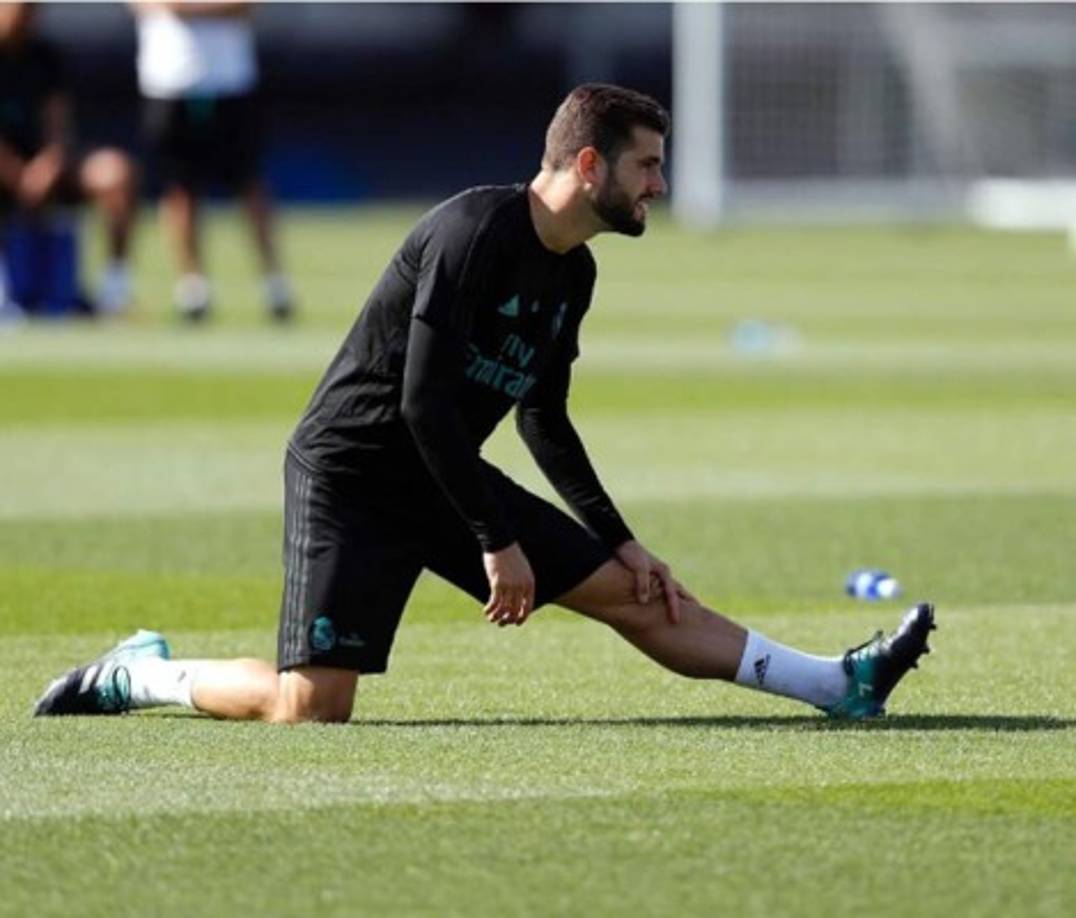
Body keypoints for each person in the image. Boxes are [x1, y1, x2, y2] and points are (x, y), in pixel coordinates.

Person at [34, 84, 935, 724]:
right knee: (308, 710)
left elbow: (544, 415)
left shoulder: (573, 272)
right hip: (353, 474)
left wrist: (622, 538)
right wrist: (496, 541)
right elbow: (422, 402)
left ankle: (837, 685)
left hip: (445, 477)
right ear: (589, 163)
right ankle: (138, 675)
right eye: (647, 165)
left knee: (638, 593)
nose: (659, 184)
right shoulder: (472, 229)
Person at [131, 1, 293, 321]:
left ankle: (275, 283)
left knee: (249, 183)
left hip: (230, 80)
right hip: (169, 78)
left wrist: (189, 8)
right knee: (180, 186)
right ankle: (193, 289)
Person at [0, 2, 137, 315]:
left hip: (44, 169)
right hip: (7, 169)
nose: (25, 17)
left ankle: (113, 291)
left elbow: (58, 126)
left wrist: (47, 165)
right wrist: (14, 172)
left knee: (116, 172)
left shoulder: (45, 56)